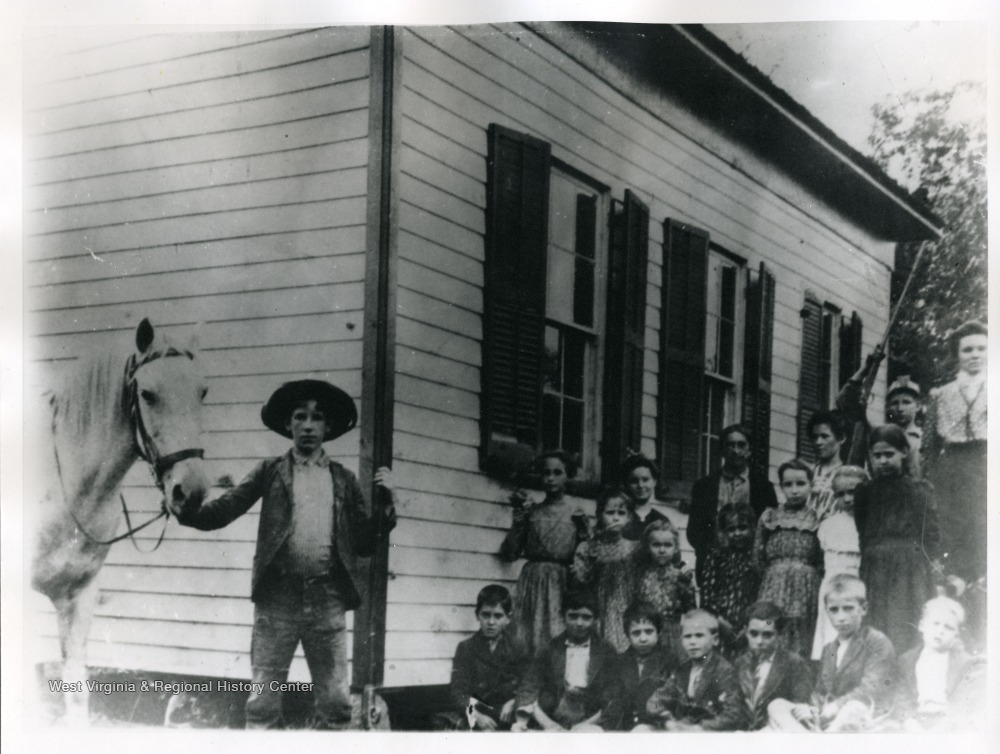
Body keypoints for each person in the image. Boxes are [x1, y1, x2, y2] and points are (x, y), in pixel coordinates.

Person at [176, 379, 397, 729]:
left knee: (336, 703)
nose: (308, 425)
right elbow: (226, 509)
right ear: (287, 424)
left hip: (327, 600)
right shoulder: (270, 471)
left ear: (328, 427)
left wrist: (386, 506)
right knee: (263, 701)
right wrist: (186, 511)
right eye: (299, 417)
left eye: (317, 418)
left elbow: (364, 544)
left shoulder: (344, 479)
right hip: (276, 599)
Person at [768, 574, 897, 732]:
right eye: (833, 610)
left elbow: (871, 689)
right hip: (828, 716)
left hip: (863, 714)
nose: (840, 617)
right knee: (777, 705)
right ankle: (812, 738)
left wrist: (835, 707)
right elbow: (820, 690)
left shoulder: (876, 641)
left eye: (848, 608)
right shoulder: (830, 649)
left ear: (863, 609)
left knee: (853, 709)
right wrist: (812, 709)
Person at [855, 425, 941, 654]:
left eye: (889, 454)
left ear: (903, 452)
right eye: (877, 455)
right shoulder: (864, 492)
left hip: (908, 572)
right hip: (874, 570)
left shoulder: (919, 490)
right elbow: (863, 531)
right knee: (875, 626)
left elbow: (930, 535)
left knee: (904, 625)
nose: (883, 461)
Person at [500, 450, 589, 656]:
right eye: (545, 473)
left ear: (569, 475)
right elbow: (509, 553)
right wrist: (518, 522)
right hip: (532, 581)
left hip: (561, 582)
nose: (550, 478)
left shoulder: (576, 514)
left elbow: (585, 557)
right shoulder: (531, 512)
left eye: (557, 472)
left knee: (557, 634)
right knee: (527, 636)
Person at [923, 321, 987, 590]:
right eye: (967, 349)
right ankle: (957, 582)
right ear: (957, 354)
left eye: (981, 349)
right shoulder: (941, 394)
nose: (974, 355)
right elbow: (928, 444)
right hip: (951, 468)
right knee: (953, 528)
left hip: (986, 463)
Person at [687, 424, 777, 588]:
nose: (736, 450)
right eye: (730, 445)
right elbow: (694, 532)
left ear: (749, 450)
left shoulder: (764, 488)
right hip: (713, 566)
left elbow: (769, 532)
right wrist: (713, 554)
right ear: (721, 450)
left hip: (751, 568)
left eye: (741, 445)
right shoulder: (704, 486)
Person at [512, 591, 616, 731]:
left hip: (591, 718)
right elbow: (529, 685)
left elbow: (614, 694)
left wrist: (588, 725)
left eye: (586, 618)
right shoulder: (549, 648)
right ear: (563, 617)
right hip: (553, 716)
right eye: (573, 616)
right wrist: (547, 723)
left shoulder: (606, 650)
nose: (579, 623)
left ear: (595, 619)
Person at [753, 459, 822, 659]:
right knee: (771, 629)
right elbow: (758, 557)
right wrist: (776, 575)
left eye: (800, 484)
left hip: (806, 588)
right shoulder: (769, 517)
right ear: (781, 487)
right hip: (773, 586)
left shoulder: (817, 518)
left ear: (811, 485)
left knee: (801, 638)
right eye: (788, 484)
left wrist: (806, 575)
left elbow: (821, 559)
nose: (794, 490)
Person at [641, 609, 747, 731]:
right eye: (688, 636)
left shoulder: (723, 670)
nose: (692, 642)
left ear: (715, 640)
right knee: (641, 730)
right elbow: (657, 699)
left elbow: (734, 715)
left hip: (710, 734)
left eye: (699, 635)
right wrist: (667, 719)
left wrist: (700, 728)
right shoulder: (683, 669)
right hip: (682, 727)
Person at [896, 596, 986, 731]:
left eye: (948, 627)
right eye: (935, 623)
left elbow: (962, 703)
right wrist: (909, 722)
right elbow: (901, 698)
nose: (940, 631)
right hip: (915, 721)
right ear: (922, 626)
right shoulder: (906, 660)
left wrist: (944, 727)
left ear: (956, 635)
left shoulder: (966, 664)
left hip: (948, 723)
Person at [448, 585, 531, 731]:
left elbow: (528, 682)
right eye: (486, 615)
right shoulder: (466, 648)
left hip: (509, 714)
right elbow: (458, 693)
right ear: (477, 615)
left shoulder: (517, 647)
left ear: (508, 618)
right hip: (479, 714)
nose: (491, 622)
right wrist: (476, 716)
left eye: (498, 616)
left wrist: (514, 701)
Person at [571, 489, 640, 652]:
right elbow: (580, 581)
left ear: (629, 517)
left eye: (621, 513)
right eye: (610, 512)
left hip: (625, 609)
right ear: (599, 515)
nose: (615, 518)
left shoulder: (633, 548)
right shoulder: (588, 547)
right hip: (598, 609)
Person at [811, 465, 867, 660]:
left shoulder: (870, 522)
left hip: (860, 584)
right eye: (840, 494)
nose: (848, 499)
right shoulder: (828, 525)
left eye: (853, 492)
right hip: (833, 585)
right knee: (832, 632)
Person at [595, 602, 677, 731]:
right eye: (636, 633)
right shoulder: (618, 663)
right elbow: (611, 703)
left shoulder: (670, 661)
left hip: (657, 727)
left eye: (649, 631)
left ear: (659, 632)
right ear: (628, 635)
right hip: (622, 726)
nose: (643, 638)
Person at [733, 601, 813, 730]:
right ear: (746, 633)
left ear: (780, 636)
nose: (759, 641)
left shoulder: (794, 664)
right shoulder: (740, 664)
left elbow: (799, 706)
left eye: (767, 635)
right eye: (754, 634)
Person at [697, 502, 760, 659]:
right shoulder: (716, 557)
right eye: (731, 529)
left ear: (752, 528)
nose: (737, 533)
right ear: (723, 532)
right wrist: (721, 623)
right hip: (720, 625)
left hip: (748, 627)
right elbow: (707, 595)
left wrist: (748, 627)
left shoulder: (756, 558)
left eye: (742, 528)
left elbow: (760, 594)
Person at [634, 519, 696, 665]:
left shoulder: (681, 577)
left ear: (675, 548)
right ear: (648, 547)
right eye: (656, 545)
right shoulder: (640, 575)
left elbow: (691, 613)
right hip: (646, 633)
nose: (662, 550)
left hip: (672, 636)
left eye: (667, 545)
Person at [619, 454, 674, 540]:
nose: (640, 485)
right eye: (634, 481)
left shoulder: (661, 520)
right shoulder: (619, 517)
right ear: (626, 484)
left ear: (654, 482)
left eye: (645, 480)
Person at [806, 411, 846, 522]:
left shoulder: (847, 475)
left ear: (841, 438)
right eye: (814, 437)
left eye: (825, 436)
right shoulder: (807, 473)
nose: (818, 442)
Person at [885, 376, 924, 477]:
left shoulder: (923, 438)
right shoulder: (883, 438)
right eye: (894, 403)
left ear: (918, 406)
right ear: (888, 407)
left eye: (906, 402)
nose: (900, 408)